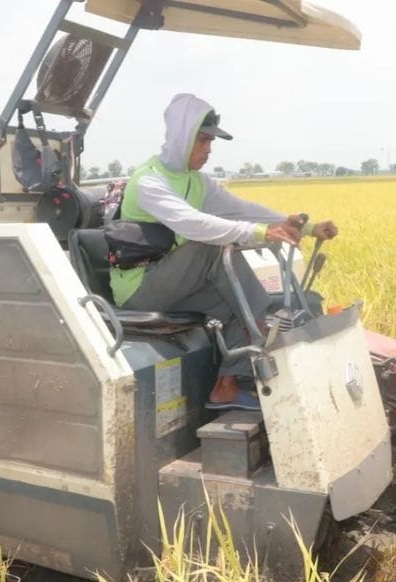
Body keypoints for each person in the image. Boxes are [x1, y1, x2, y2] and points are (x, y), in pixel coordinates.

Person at [111, 93, 338, 411]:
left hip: (176, 284)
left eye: (210, 142)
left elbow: (240, 209)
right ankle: (265, 325)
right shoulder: (150, 181)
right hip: (141, 289)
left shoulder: (197, 182)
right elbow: (194, 225)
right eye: (202, 140)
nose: (208, 149)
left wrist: (306, 227)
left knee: (234, 301)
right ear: (182, 136)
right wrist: (258, 233)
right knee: (211, 247)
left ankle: (226, 386)